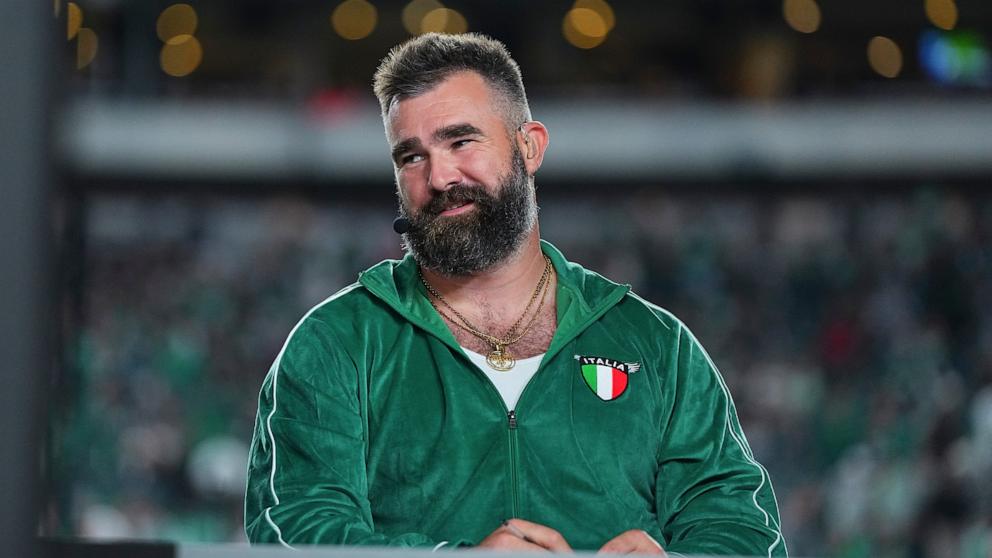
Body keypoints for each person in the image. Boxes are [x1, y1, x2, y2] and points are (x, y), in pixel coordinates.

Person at [245, 32, 786, 556]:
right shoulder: (337, 342)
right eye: (411, 157)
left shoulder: (657, 345)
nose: (439, 176)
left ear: (529, 147)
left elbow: (742, 531)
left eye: (461, 141)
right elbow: (296, 529)